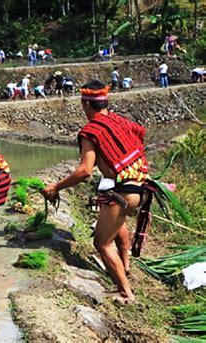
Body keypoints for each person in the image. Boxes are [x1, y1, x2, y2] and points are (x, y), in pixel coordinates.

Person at [42, 80, 150, 304]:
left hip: (123, 190)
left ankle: (126, 293)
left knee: (101, 243)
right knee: (115, 223)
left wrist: (55, 186)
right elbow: (140, 135)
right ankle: (126, 265)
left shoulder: (90, 131)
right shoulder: (119, 120)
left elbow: (84, 171)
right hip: (141, 185)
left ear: (86, 104)